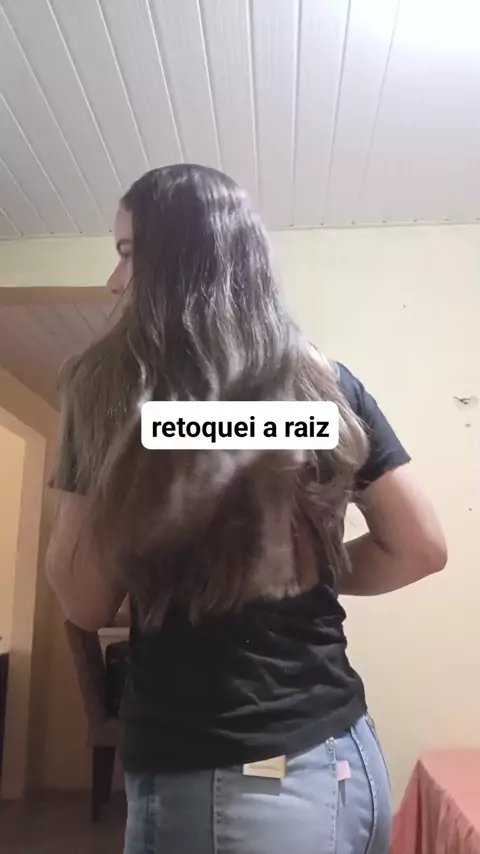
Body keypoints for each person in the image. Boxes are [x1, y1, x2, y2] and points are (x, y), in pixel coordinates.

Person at [46, 165, 447, 854]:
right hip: (349, 762)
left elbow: (83, 599)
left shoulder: (114, 394)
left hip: (230, 787)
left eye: (128, 253)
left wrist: (91, 440)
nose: (115, 281)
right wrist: (300, 569)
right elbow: (419, 547)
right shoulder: (326, 385)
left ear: (178, 264)